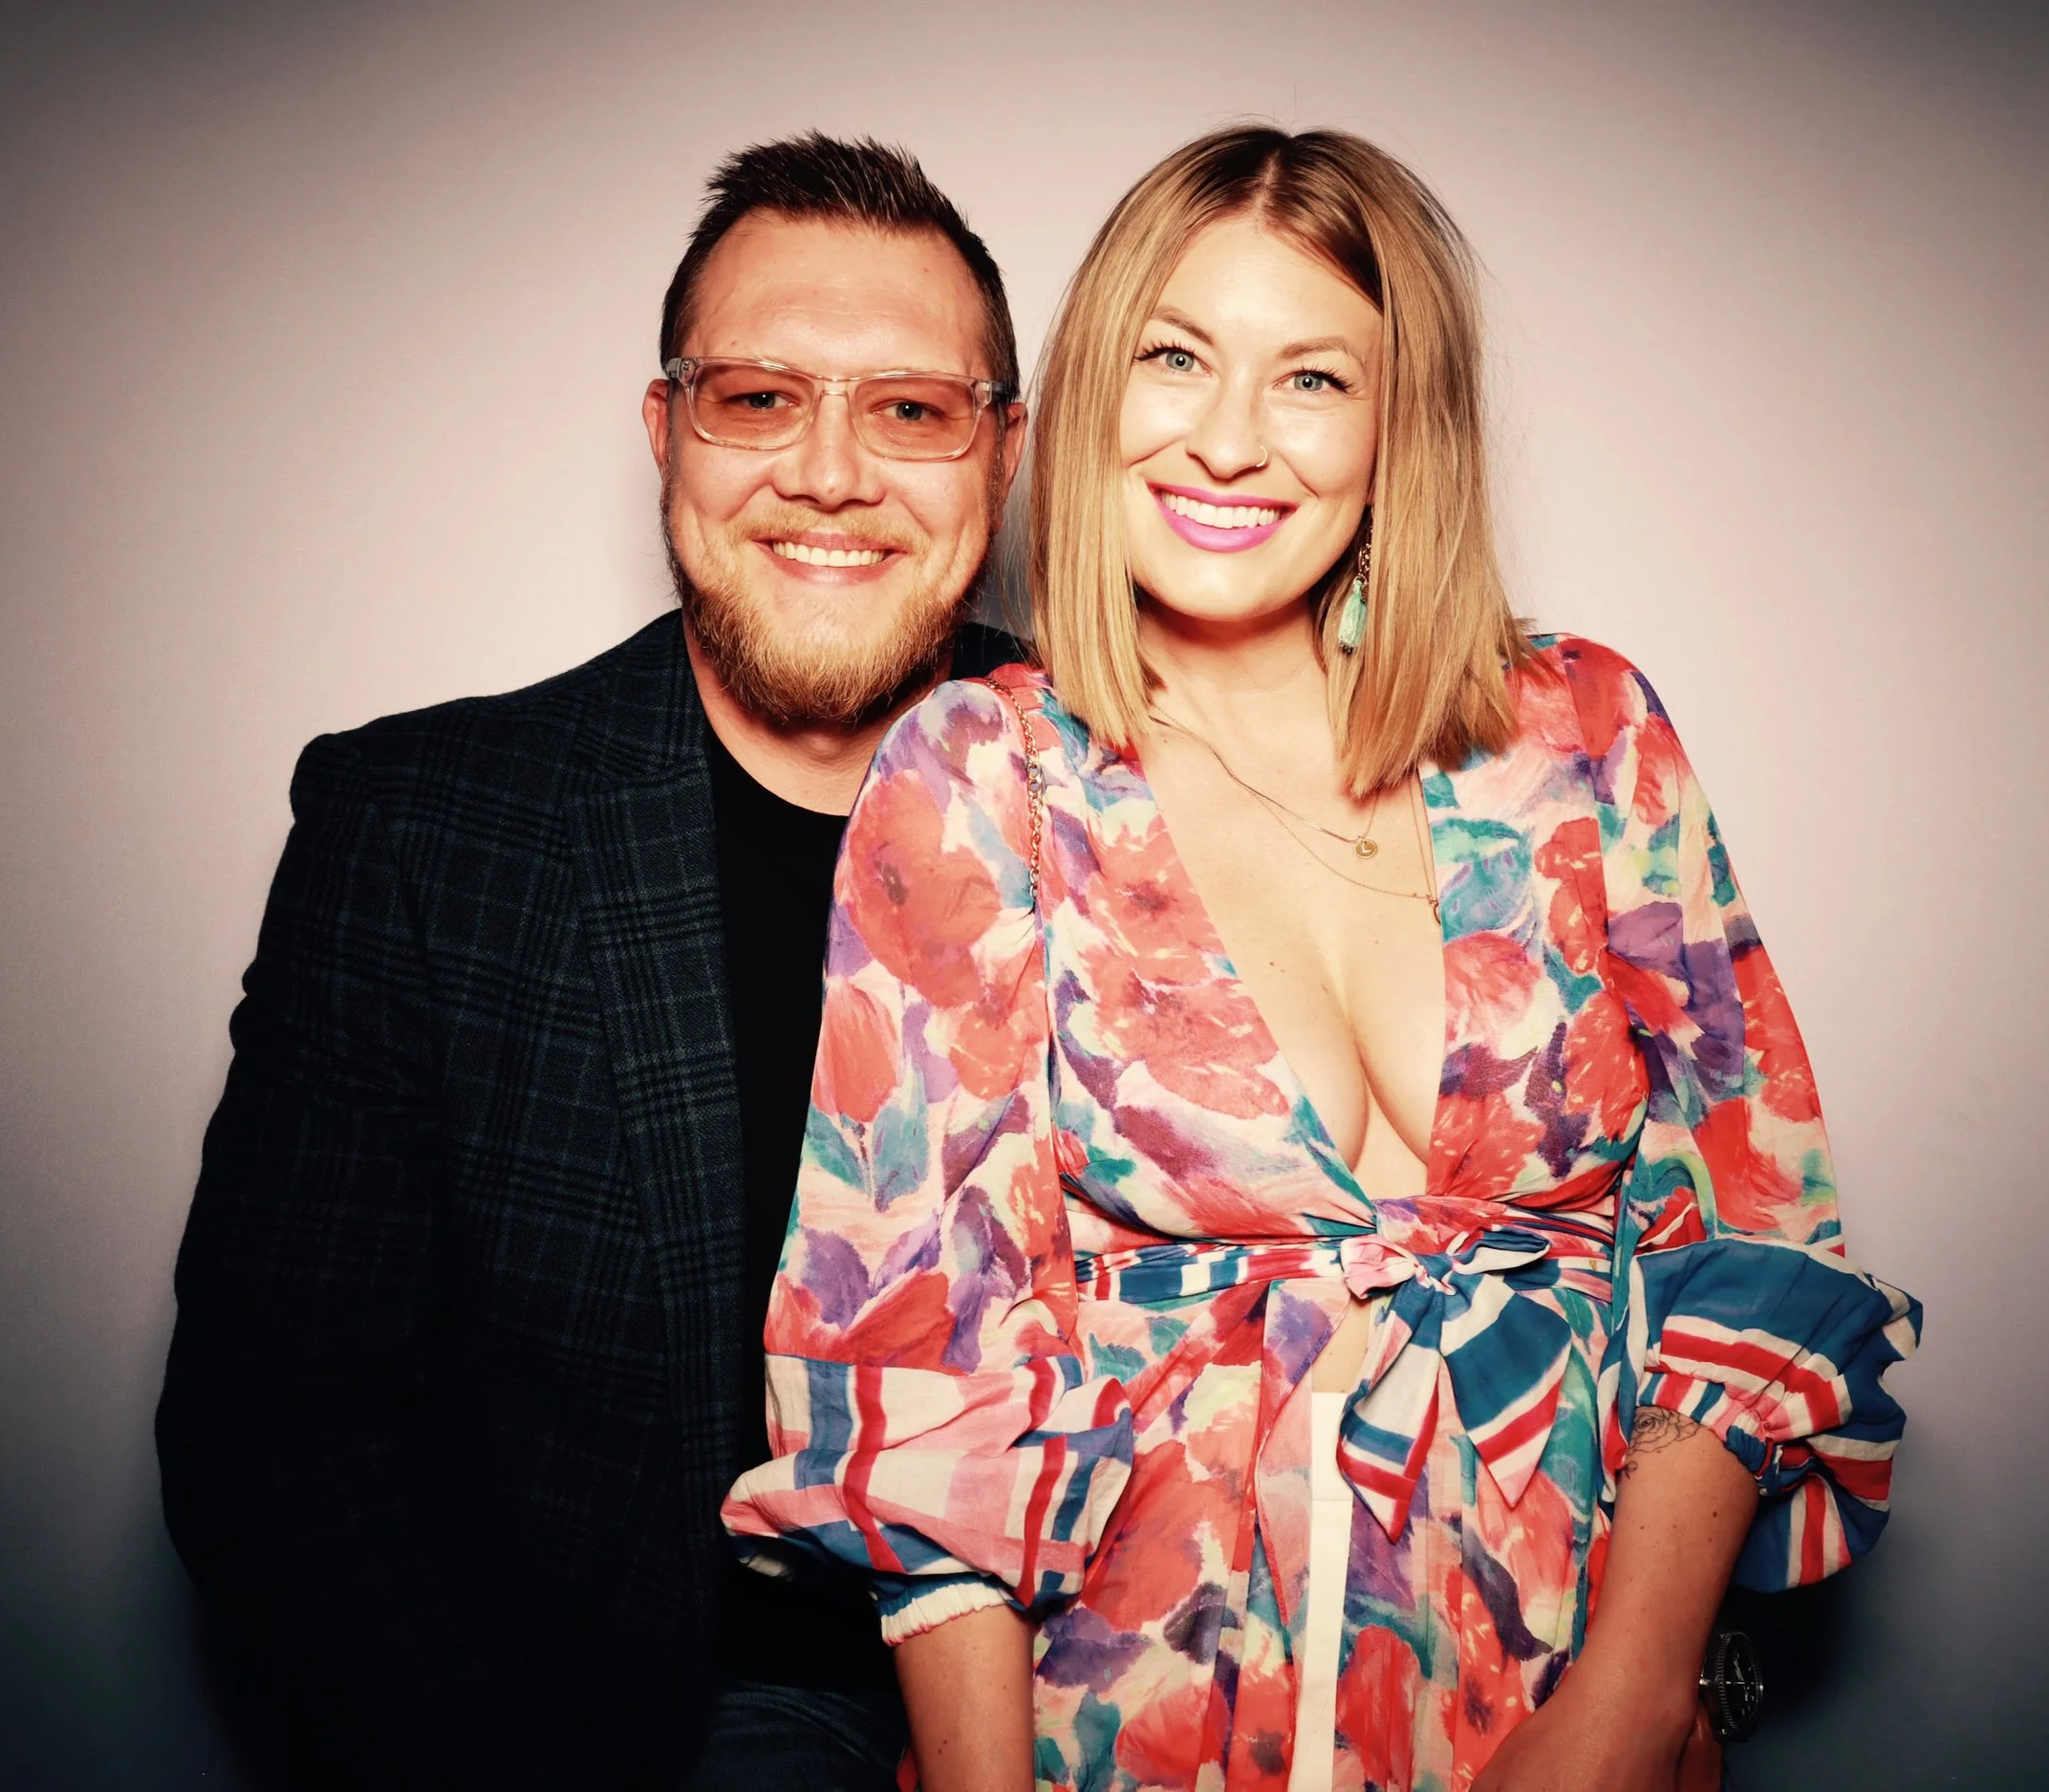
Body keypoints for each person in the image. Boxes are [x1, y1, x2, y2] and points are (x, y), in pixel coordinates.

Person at [723, 126, 1919, 1792]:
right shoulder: (983, 775)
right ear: (1088, 397)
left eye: (1309, 378)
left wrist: (1634, 1702)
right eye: (1175, 356)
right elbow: (922, 1352)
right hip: (1132, 1718)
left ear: (1393, 426)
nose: (1228, 437)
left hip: (1564, 1701)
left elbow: (1751, 1228)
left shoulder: (1582, 732)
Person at [157, 133, 1026, 1790]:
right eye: (759, 397)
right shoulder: (422, 831)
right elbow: (279, 1443)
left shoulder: (1154, 792)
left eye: (909, 410)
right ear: (665, 433)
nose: (830, 473)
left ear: (1000, 453)